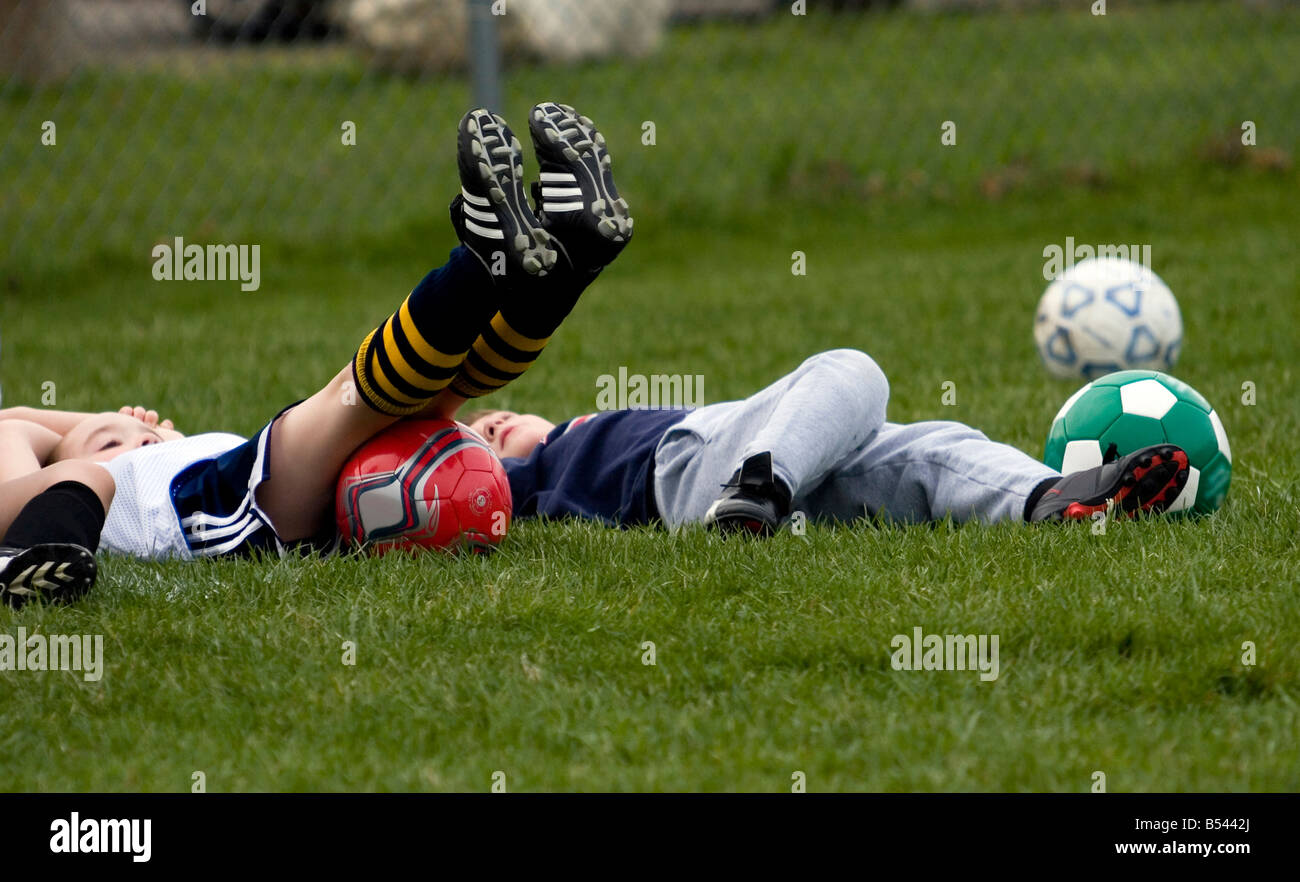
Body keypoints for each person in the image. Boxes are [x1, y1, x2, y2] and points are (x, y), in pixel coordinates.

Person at [0, 102, 632, 566]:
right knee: (343, 403)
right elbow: (14, 424)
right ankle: (490, 261)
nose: (133, 425)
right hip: (217, 510)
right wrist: (78, 445)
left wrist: (111, 431)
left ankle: (554, 267)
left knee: (435, 394)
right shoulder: (102, 482)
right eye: (111, 438)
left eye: (137, 428)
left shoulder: (152, 458)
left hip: (262, 487)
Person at [463, 349, 1191, 534]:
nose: (488, 422)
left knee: (930, 450)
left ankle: (1048, 499)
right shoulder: (544, 472)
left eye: (491, 415)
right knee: (854, 371)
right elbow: (461, 494)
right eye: (475, 438)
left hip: (778, 477)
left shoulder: (558, 446)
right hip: (692, 473)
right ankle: (760, 487)